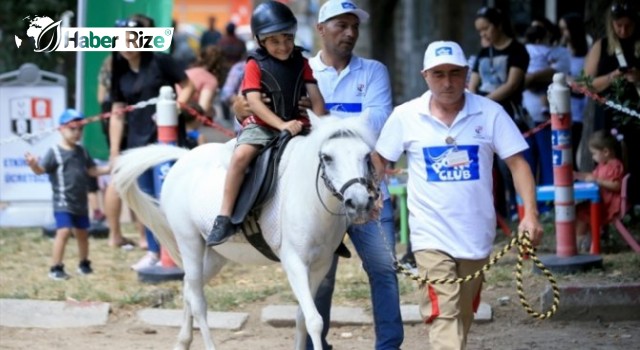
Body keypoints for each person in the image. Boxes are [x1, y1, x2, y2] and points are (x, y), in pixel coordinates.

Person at [229, 2, 404, 348]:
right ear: (320, 29)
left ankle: (389, 344)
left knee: (383, 268)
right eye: (341, 25)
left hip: (365, 188)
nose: (350, 33)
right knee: (317, 276)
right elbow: (261, 112)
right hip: (314, 195)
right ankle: (313, 345)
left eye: (354, 26)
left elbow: (374, 124)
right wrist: (241, 109)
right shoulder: (295, 67)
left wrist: (320, 118)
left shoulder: (373, 72)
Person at [372, 40, 543, 350]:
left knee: (461, 315)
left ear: (467, 73)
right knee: (443, 316)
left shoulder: (490, 113)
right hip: (430, 237)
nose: (447, 82)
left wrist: (530, 214)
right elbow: (379, 159)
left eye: (454, 73)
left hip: (476, 237)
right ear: (425, 75)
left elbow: (519, 164)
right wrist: (374, 192)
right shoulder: (405, 116)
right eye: (438, 74)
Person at [206, 0, 326, 246]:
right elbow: (255, 103)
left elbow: (316, 98)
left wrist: (320, 121)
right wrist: (281, 125)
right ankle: (225, 215)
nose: (283, 46)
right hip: (263, 125)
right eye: (274, 41)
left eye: (287, 39)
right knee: (241, 156)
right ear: (261, 41)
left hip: (299, 124)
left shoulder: (302, 63)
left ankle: (329, 224)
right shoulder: (254, 64)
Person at [109, 14, 195, 270]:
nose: (127, 44)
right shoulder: (119, 70)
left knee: (169, 198)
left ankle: (183, 253)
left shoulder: (160, 61)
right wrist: (115, 150)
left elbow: (187, 84)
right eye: (121, 39)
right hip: (137, 145)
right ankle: (155, 252)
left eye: (131, 38)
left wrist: (176, 108)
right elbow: (116, 112)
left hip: (166, 143)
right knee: (147, 201)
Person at [25, 109, 110, 280]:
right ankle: (56, 267)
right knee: (63, 232)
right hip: (63, 202)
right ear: (61, 129)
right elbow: (41, 170)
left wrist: (110, 168)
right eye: (73, 128)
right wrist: (33, 165)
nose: (77, 132)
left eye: (80, 129)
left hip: (81, 204)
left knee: (82, 234)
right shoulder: (54, 152)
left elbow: (92, 170)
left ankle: (84, 263)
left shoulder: (82, 151)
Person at [469, 6, 532, 221]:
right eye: (479, 31)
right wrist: (472, 100)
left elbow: (512, 84)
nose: (483, 35)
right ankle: (497, 215)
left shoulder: (517, 50)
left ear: (498, 25)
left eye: (486, 29)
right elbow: (473, 84)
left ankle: (519, 211)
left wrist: (483, 103)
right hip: (481, 116)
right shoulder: (483, 53)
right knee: (488, 166)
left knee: (509, 166)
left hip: (508, 113)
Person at [583, 0, 639, 207]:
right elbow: (585, 83)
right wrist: (612, 77)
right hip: (607, 113)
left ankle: (632, 206)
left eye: (628, 26)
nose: (623, 30)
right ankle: (606, 207)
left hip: (634, 114)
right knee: (607, 157)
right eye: (619, 25)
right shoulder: (602, 45)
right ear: (611, 23)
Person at [574, 130, 625, 252]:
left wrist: (597, 180)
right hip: (602, 202)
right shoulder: (603, 165)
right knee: (579, 209)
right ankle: (586, 241)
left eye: (594, 154)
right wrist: (577, 175)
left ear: (606, 152)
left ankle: (578, 243)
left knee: (581, 212)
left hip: (609, 206)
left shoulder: (615, 165)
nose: (593, 157)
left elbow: (617, 185)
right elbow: (591, 176)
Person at [558, 13, 590, 167]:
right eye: (561, 29)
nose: (563, 33)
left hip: (579, 107)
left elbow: (586, 81)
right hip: (560, 105)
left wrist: (568, 80)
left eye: (566, 29)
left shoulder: (588, 51)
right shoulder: (560, 50)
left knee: (574, 147)